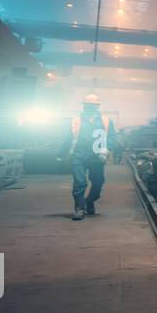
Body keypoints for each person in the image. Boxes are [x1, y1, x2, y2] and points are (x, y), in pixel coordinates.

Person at [60, 93, 112, 221]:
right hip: (79, 155)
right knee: (80, 182)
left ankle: (90, 201)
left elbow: (112, 137)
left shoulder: (105, 121)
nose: (90, 107)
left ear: (97, 107)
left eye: (93, 105)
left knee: (98, 182)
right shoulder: (76, 120)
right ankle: (79, 209)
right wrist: (61, 154)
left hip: (97, 157)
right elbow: (68, 138)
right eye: (88, 105)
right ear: (84, 106)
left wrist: (105, 150)